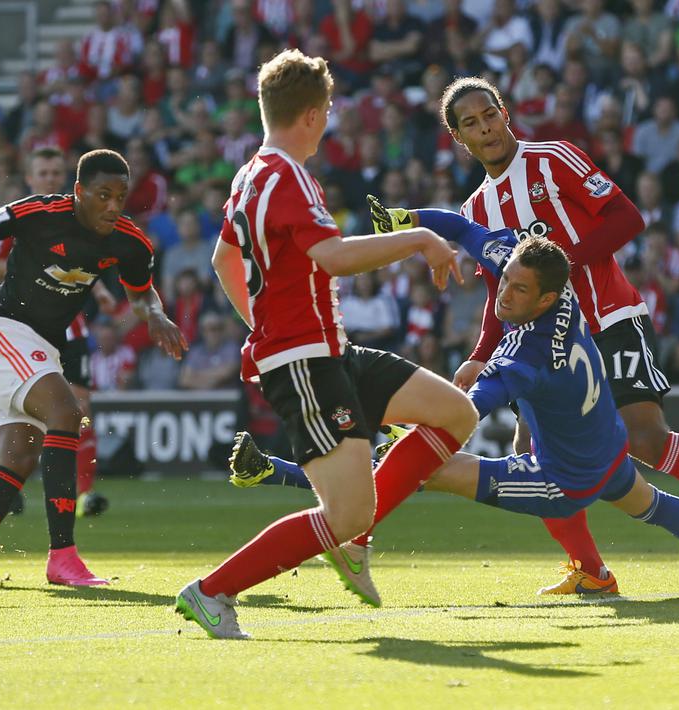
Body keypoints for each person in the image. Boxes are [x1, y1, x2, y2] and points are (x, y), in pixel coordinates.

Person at [226, 208, 679, 610]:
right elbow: (463, 228)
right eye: (504, 284)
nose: (503, 296)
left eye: (518, 292)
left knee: (423, 463)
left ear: (547, 297)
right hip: (607, 451)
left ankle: (303, 494)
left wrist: (416, 412)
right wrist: (405, 219)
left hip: (565, 481)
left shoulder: (525, 361)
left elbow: (466, 412)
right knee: (653, 505)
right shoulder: (548, 280)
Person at [436, 76, 679, 594]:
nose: (486, 128)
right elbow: (502, 295)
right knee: (538, 463)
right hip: (545, 346)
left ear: (505, 112)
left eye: (490, 114)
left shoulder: (553, 159)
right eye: (471, 124)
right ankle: (591, 570)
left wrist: (560, 267)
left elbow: (626, 218)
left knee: (646, 440)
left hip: (609, 319)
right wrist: (482, 354)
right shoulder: (474, 211)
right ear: (460, 138)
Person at [174, 50, 476, 640]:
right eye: (330, 110)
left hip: (325, 349)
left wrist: (258, 323)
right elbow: (333, 257)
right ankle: (212, 592)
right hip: (303, 361)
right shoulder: (287, 176)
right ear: (312, 115)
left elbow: (222, 259)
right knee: (343, 513)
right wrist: (418, 237)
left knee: (455, 412)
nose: (330, 120)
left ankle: (352, 540)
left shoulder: (250, 174)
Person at [0, 149, 186, 589]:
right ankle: (63, 558)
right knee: (67, 413)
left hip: (40, 351)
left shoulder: (130, 241)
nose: (113, 205)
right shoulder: (37, 212)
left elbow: (142, 294)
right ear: (78, 192)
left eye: (121, 196)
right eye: (103, 195)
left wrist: (157, 315)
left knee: (17, 460)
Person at [0, 146, 117, 517]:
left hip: (70, 330)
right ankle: (11, 483)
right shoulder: (19, 217)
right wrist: (37, 264)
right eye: (43, 174)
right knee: (21, 410)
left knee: (80, 408)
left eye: (56, 173)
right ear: (30, 178)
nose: (50, 180)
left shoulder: (84, 219)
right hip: (22, 328)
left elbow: (90, 268)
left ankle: (83, 494)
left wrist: (101, 292)